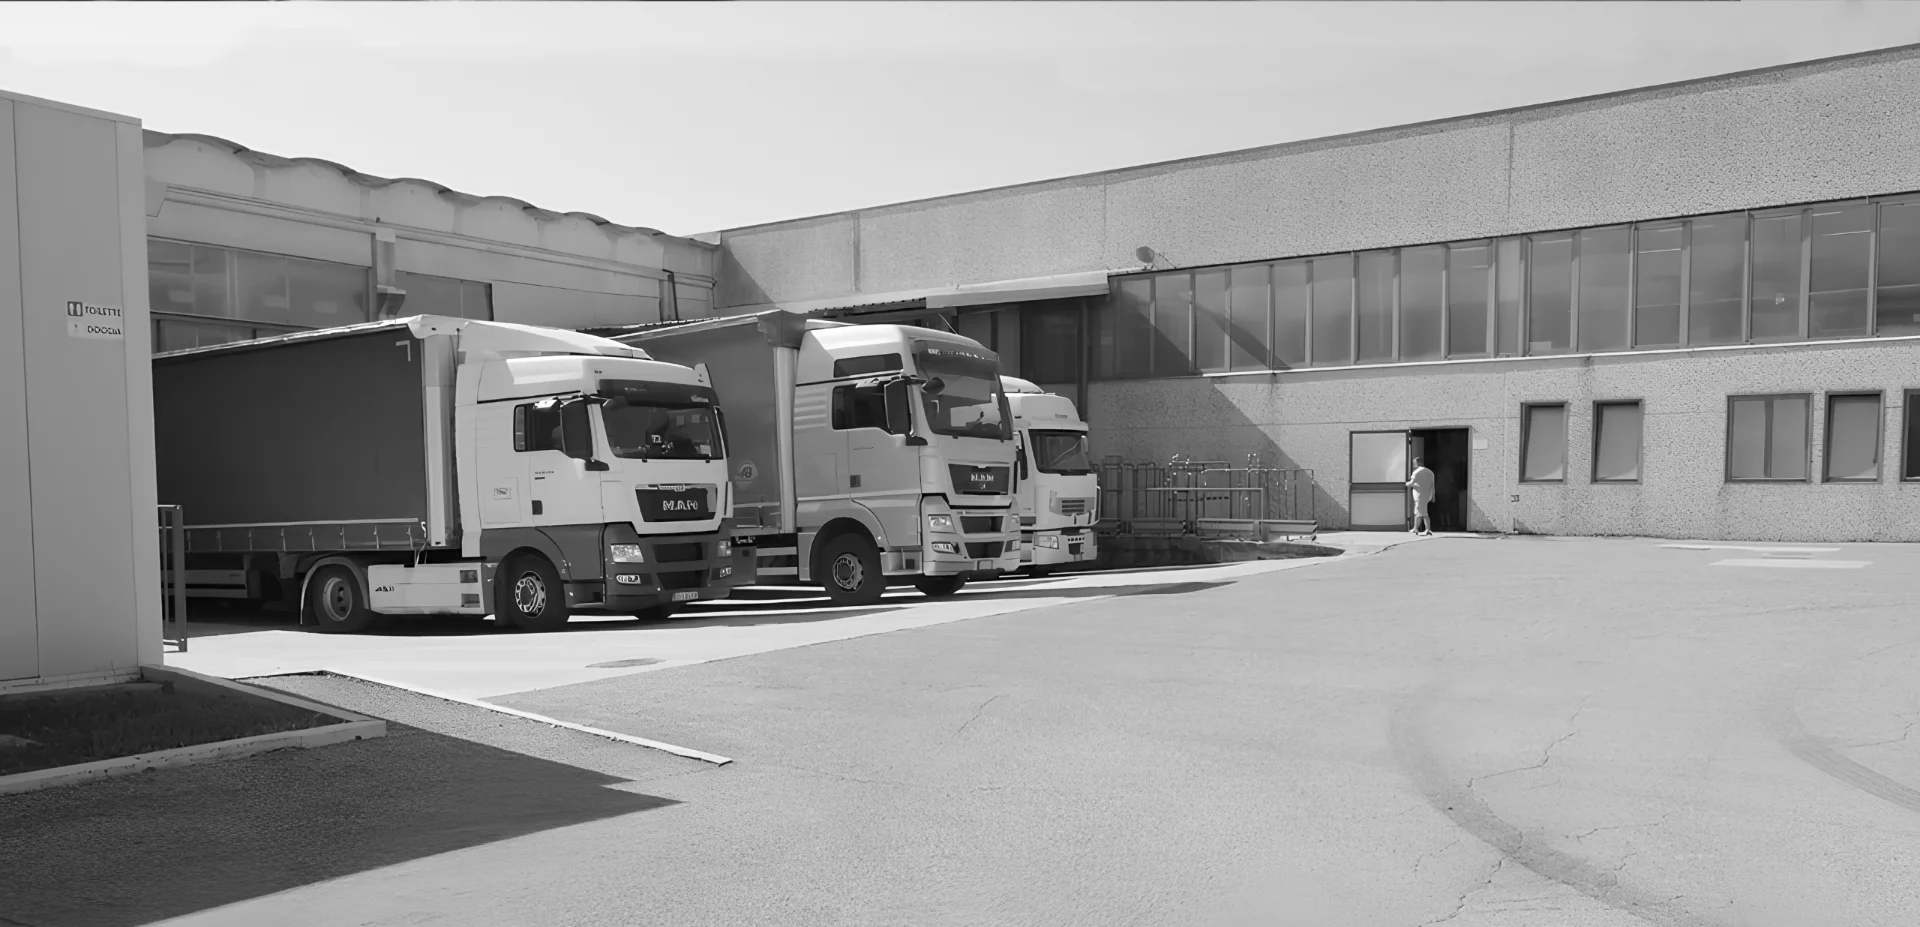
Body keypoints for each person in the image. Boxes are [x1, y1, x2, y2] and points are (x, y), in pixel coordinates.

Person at [1406, 457, 1435, 537]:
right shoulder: (1430, 472)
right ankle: (1416, 528)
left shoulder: (1416, 472)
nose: (1413, 465)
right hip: (1427, 495)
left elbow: (1411, 483)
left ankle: (1425, 529)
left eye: (1414, 463)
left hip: (1419, 495)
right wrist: (1433, 495)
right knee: (1420, 512)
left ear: (1417, 463)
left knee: (1422, 513)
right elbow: (1432, 485)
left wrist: (1406, 484)